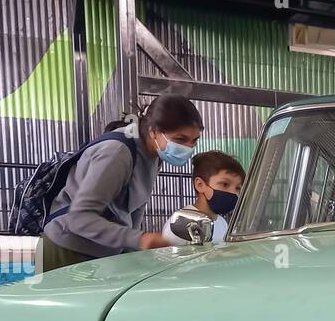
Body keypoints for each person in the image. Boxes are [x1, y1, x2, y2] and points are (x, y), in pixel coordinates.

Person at [40, 93, 204, 270]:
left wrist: (135, 250)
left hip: (104, 252)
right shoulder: (117, 152)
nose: (188, 148)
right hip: (68, 250)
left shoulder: (154, 155)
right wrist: (140, 239)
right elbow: (79, 218)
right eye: (180, 139)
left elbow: (135, 208)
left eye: (194, 141)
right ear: (153, 132)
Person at [163, 151, 245, 245]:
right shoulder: (179, 225)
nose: (233, 193)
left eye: (238, 188)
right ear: (200, 185)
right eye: (225, 184)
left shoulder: (222, 223)